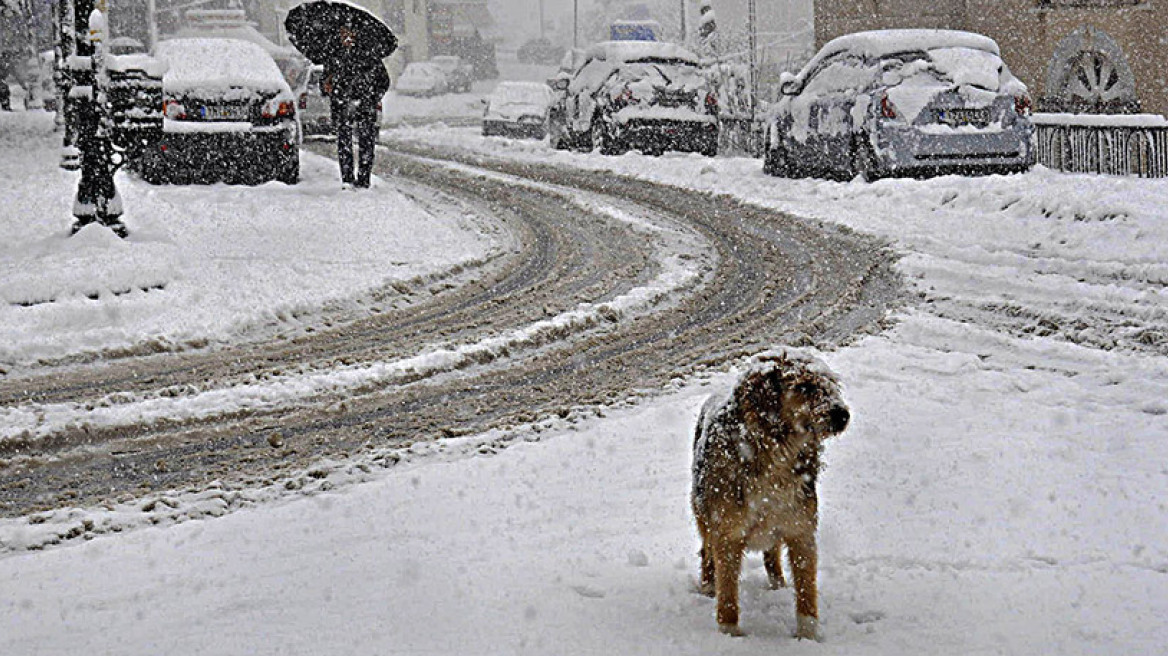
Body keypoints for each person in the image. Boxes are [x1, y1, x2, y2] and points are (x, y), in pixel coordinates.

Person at [321, 26, 391, 189]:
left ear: (356, 35)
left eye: (349, 33)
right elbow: (324, 84)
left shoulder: (369, 56)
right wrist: (327, 86)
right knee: (344, 143)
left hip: (365, 106)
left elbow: (384, 81)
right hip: (341, 106)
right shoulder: (333, 57)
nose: (346, 37)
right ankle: (347, 179)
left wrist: (372, 98)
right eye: (343, 33)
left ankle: (363, 179)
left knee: (366, 142)